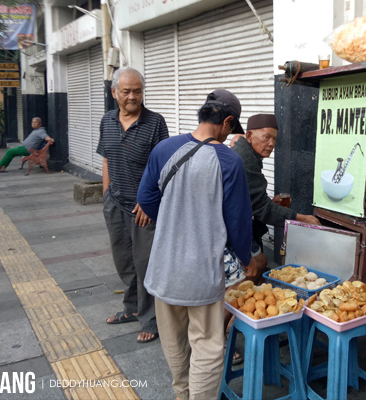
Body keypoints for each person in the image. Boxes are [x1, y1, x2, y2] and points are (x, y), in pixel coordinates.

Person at [137, 89, 252, 400]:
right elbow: (239, 223)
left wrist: (176, 221)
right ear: (226, 121)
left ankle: (181, 393)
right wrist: (246, 258)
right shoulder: (229, 161)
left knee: (174, 339)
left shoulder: (164, 149)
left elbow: (145, 199)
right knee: (207, 343)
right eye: (232, 128)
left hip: (163, 269)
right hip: (202, 273)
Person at [97, 67, 169, 343]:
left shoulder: (155, 122)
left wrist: (149, 201)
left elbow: (165, 166)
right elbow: (106, 158)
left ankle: (151, 319)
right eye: (126, 91)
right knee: (124, 261)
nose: (132, 97)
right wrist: (106, 195)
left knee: (145, 263)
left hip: (144, 208)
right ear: (114, 92)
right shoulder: (107, 120)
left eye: (137, 91)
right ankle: (131, 308)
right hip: (115, 204)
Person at [231, 113, 320, 282]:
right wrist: (301, 218)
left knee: (260, 262)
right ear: (249, 136)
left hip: (238, 223)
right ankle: (240, 302)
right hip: (229, 227)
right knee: (257, 265)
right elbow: (262, 209)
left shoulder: (248, 154)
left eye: (274, 139)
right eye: (266, 137)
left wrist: (270, 203)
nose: (271, 144)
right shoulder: (245, 160)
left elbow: (253, 201)